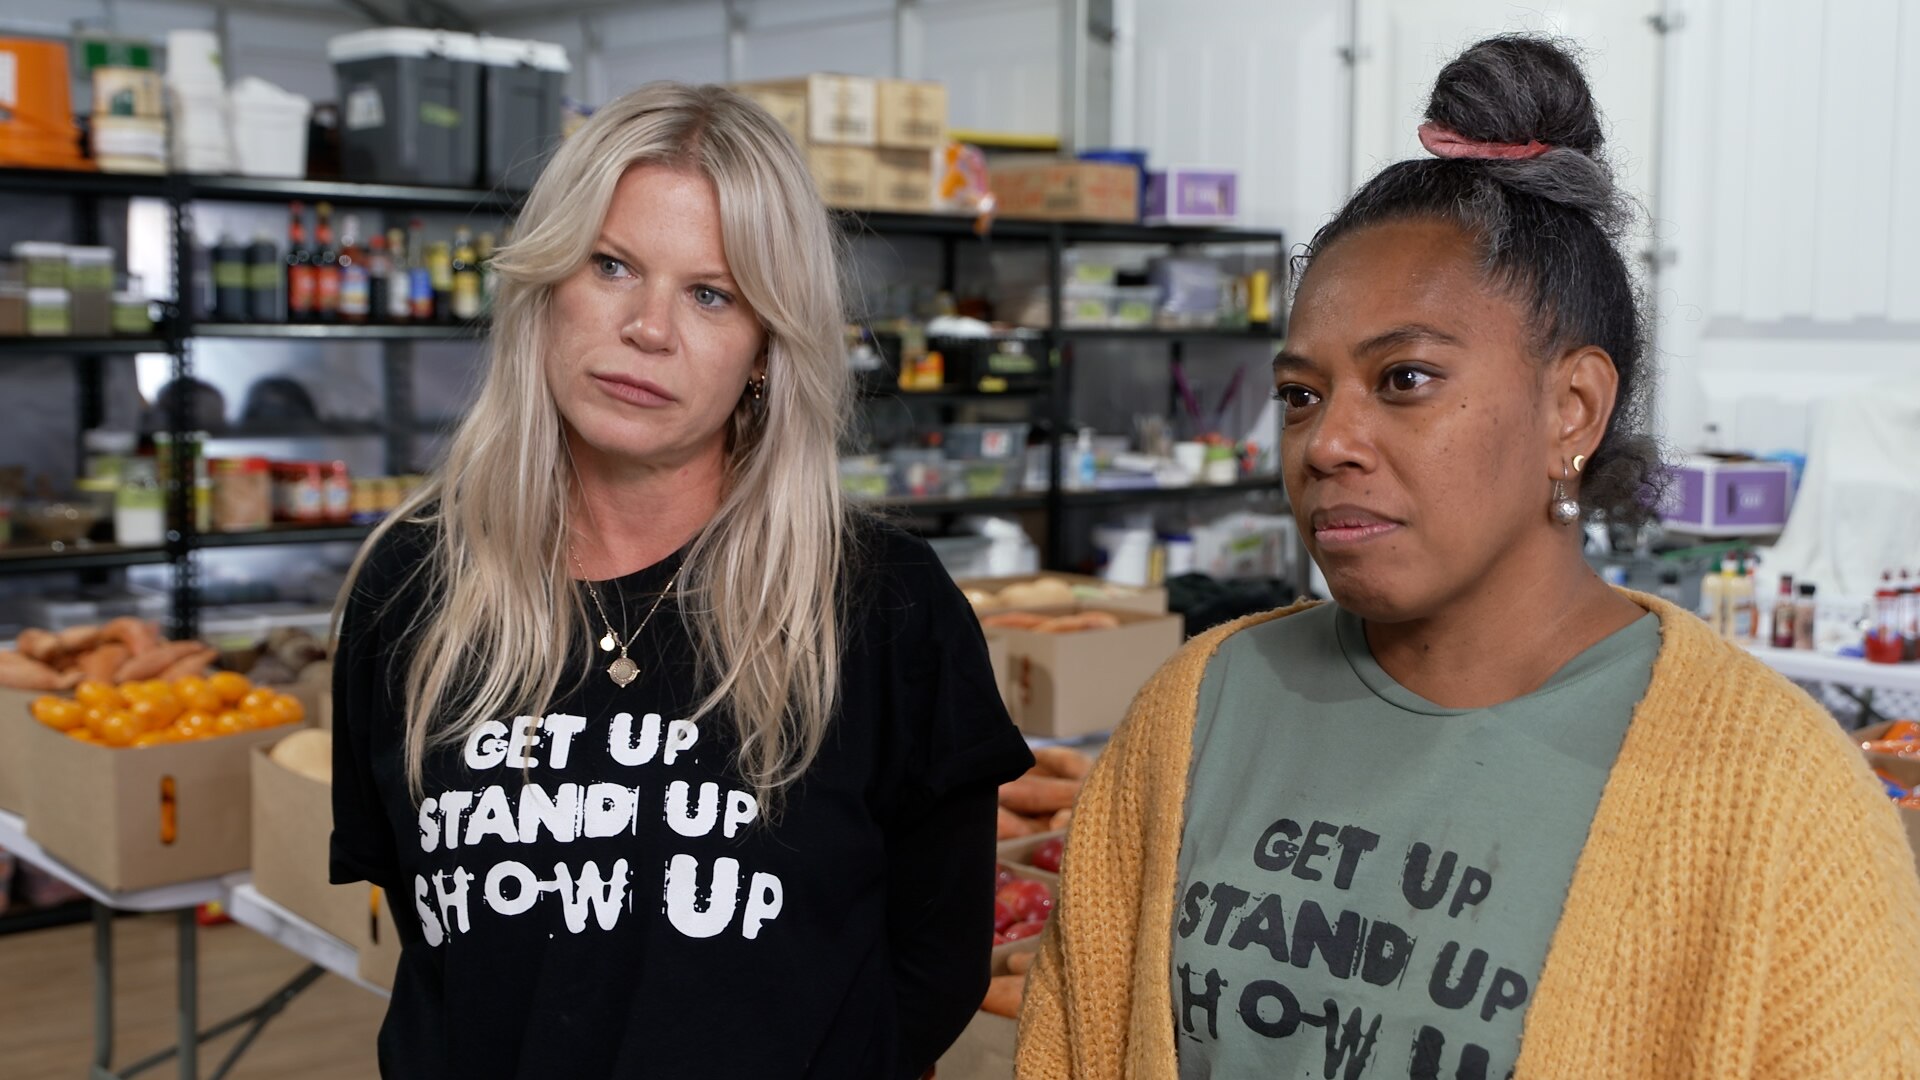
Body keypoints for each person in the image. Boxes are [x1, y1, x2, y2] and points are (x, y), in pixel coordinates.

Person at [1015, 36, 1920, 1080]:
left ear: (1571, 408)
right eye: (1301, 395)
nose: (1329, 442)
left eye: (1402, 379)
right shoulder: (1193, 715)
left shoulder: (1780, 802)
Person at [328, 82, 1033, 1079]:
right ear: (546, 285)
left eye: (711, 294)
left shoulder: (883, 607)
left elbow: (936, 961)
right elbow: (440, 931)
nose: (648, 329)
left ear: (763, 349)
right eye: (611, 265)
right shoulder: (412, 587)